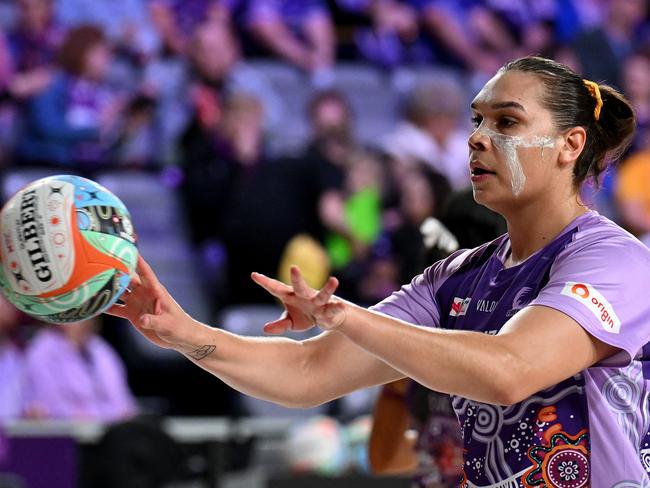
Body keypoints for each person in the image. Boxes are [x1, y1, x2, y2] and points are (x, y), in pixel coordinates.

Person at [109, 56, 645, 485]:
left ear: (569, 145)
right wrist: (185, 334)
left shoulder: (614, 259)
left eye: (507, 121)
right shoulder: (455, 278)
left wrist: (350, 318)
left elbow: (510, 371)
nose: (478, 136)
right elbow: (306, 373)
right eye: (477, 119)